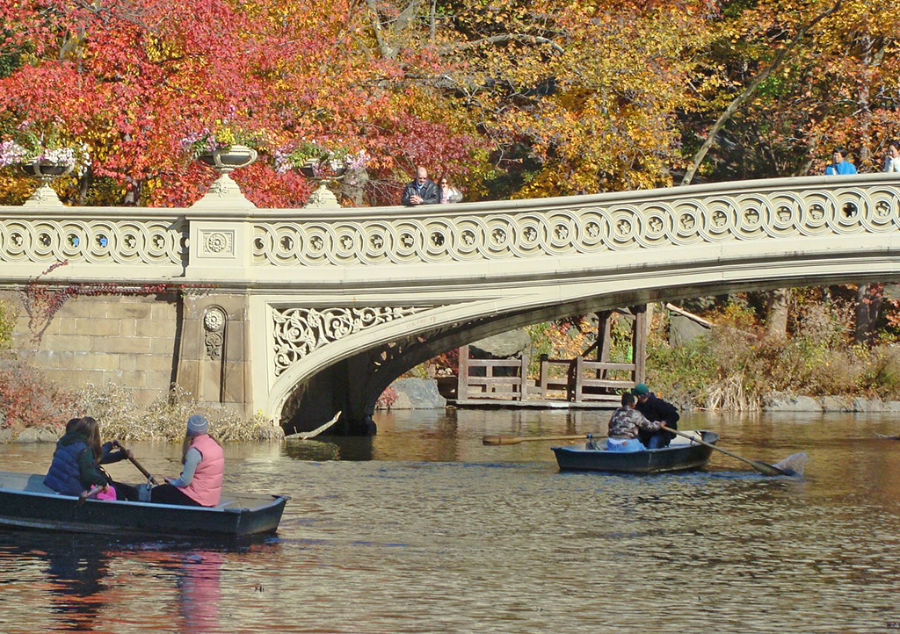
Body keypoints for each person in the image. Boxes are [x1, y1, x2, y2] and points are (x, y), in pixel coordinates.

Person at [150, 415, 224, 507]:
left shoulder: (195, 451)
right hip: (212, 498)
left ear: (189, 430)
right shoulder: (216, 444)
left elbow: (186, 481)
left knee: (157, 492)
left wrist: (173, 482)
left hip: (197, 499)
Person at [45, 417, 114, 498]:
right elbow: (88, 475)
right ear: (94, 433)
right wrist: (103, 482)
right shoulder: (84, 448)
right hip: (70, 488)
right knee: (112, 492)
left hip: (54, 484)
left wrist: (110, 446)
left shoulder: (63, 441)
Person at [599, 391, 663, 452]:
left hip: (611, 443)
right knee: (644, 448)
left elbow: (610, 425)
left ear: (622, 403)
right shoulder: (634, 413)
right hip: (626, 444)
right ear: (632, 404)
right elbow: (649, 427)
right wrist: (659, 425)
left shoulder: (616, 412)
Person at [632, 383, 680, 449]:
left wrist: (664, 422)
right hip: (645, 434)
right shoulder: (638, 407)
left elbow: (675, 416)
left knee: (653, 444)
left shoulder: (658, 404)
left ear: (639, 396)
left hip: (661, 434)